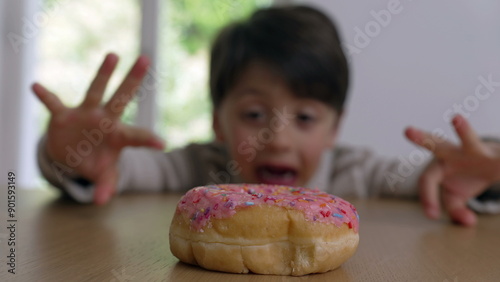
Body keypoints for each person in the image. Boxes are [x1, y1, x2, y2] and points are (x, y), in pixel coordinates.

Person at [33, 5, 500, 226]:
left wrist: (489, 168)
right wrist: (73, 157)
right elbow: (116, 173)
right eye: (255, 113)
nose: (277, 139)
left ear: (336, 128)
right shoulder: (199, 170)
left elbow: (440, 177)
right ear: (218, 120)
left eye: (305, 118)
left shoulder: (359, 174)